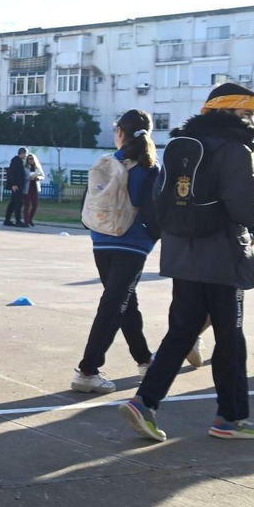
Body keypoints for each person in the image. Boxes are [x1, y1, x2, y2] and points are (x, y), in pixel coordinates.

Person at [121, 82, 254, 443]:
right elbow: (246, 210)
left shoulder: (179, 147)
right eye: (246, 112)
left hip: (181, 253)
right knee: (230, 337)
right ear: (229, 111)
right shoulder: (236, 150)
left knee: (182, 331)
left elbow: (159, 198)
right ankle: (230, 419)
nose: (251, 119)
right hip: (222, 255)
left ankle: (145, 402)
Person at [71, 110, 159, 393]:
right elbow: (152, 209)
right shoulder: (149, 166)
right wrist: (153, 235)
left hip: (101, 240)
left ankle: (145, 360)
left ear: (120, 131)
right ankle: (87, 370)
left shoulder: (106, 163)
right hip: (132, 243)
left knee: (123, 302)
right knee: (114, 304)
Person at [3, 148, 28, 227]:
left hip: (18, 185)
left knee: (13, 203)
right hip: (17, 186)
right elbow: (11, 172)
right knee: (18, 203)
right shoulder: (16, 160)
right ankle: (18, 220)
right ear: (22, 153)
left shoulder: (19, 161)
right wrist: (13, 184)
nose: (26, 156)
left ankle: (7, 219)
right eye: (25, 154)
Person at [23, 152, 45, 226]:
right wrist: (29, 178)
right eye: (29, 159)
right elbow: (23, 177)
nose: (31, 160)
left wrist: (38, 178)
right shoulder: (25, 167)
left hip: (35, 187)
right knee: (27, 205)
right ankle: (26, 221)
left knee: (35, 205)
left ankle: (30, 219)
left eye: (32, 158)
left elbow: (43, 176)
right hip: (27, 188)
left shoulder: (37, 167)